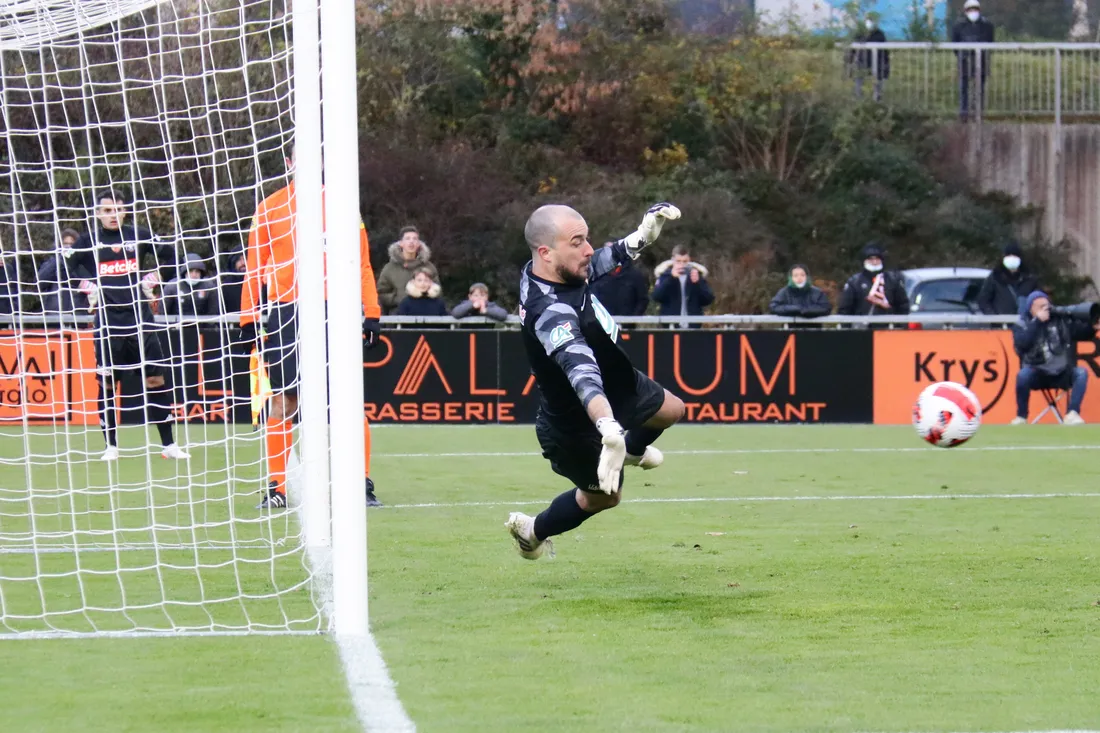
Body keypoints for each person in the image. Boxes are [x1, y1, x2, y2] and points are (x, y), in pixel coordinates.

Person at [505, 202, 686, 561]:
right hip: (573, 421)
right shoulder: (550, 312)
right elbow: (581, 372)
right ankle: (532, 532)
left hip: (614, 381)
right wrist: (608, 426)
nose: (588, 249)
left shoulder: (554, 268)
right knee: (606, 497)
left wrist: (640, 238)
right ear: (546, 252)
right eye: (578, 242)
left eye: (587, 239)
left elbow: (598, 262)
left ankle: (631, 452)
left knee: (670, 410)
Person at [239, 147, 383, 509]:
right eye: (297, 157)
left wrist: (373, 311)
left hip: (337, 311)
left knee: (347, 401)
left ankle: (361, 484)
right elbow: (255, 268)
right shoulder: (269, 207)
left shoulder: (343, 205)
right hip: (288, 313)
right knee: (284, 400)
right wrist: (247, 318)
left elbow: (362, 264)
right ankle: (277, 488)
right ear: (289, 163)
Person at [67, 189, 188, 461]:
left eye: (118, 209)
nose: (113, 215)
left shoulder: (140, 235)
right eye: (107, 210)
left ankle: (169, 445)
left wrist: (154, 277)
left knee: (155, 378)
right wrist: (86, 285)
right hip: (108, 324)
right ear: (98, 213)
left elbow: (175, 256)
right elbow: (57, 270)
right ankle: (111, 447)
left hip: (141, 320)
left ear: (125, 211)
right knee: (108, 384)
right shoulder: (88, 242)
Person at [1011, 291, 1093, 426]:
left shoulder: (1059, 320)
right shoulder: (1022, 324)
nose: (1045, 309)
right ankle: (1021, 416)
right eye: (1040, 307)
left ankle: (1072, 413)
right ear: (1031, 308)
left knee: (1081, 373)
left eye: (1047, 305)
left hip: (1062, 372)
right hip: (1037, 372)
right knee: (1022, 376)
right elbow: (1022, 344)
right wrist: (1037, 321)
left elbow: (1080, 333)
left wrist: (1092, 328)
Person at [376, 226, 440, 314]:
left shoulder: (429, 267)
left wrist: (423, 297)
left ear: (418, 244)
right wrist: (399, 298)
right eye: (407, 238)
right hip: (397, 316)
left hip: (427, 314)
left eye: (415, 239)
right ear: (401, 243)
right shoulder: (389, 268)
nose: (411, 242)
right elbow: (382, 293)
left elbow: (437, 289)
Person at [837, 242, 909, 316]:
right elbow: (845, 308)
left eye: (877, 259)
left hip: (888, 325)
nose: (874, 262)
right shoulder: (854, 282)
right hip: (862, 325)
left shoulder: (893, 280)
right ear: (864, 261)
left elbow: (903, 305)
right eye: (871, 259)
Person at [951, 0, 994, 122]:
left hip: (981, 60)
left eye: (975, 9)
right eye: (970, 9)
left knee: (979, 87)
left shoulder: (987, 25)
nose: (973, 12)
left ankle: (978, 112)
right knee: (963, 87)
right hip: (964, 59)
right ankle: (964, 112)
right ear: (965, 11)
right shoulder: (959, 25)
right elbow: (954, 43)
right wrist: (961, 55)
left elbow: (990, 41)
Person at [651, 245, 714, 328]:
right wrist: (671, 278)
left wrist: (697, 283)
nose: (682, 264)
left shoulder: (696, 274)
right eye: (678, 261)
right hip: (670, 325)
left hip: (693, 325)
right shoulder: (665, 275)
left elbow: (708, 299)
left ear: (689, 260)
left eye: (685, 261)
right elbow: (656, 297)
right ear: (672, 260)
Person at [37, 228, 91, 316]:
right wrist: (60, 260)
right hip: (53, 318)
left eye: (71, 244)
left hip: (78, 318)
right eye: (65, 244)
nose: (68, 247)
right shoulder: (51, 263)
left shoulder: (84, 265)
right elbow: (40, 281)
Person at [587, 242, 650, 317]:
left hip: (627, 325)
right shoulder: (595, 275)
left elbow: (643, 300)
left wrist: (632, 320)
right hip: (601, 325)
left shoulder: (634, 275)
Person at [977, 242, 1039, 316]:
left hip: (1025, 324)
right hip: (1002, 324)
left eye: (1014, 256)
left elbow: (1039, 300)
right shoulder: (995, 277)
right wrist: (994, 317)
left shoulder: (1029, 278)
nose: (1012, 258)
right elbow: (983, 300)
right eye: (1009, 255)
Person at [162, 252, 218, 317]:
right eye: (190, 271)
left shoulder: (209, 286)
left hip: (202, 325)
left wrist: (206, 326)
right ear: (184, 272)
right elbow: (163, 312)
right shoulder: (172, 286)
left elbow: (213, 312)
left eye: (197, 271)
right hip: (176, 325)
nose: (194, 275)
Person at [848, 14, 889, 102]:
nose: (870, 23)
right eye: (868, 20)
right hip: (861, 62)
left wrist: (886, 66)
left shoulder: (880, 34)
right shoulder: (859, 33)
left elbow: (885, 52)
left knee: (878, 81)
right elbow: (852, 50)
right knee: (858, 82)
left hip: (877, 63)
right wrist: (850, 64)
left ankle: (877, 99)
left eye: (872, 21)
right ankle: (858, 100)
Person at [219, 246, 248, 313]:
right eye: (239, 260)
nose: (243, 263)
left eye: (245, 259)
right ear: (233, 263)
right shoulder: (226, 286)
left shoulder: (259, 282)